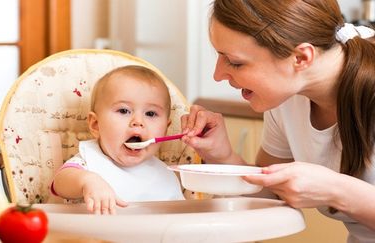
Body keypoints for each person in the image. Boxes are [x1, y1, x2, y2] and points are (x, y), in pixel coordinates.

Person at [181, 0, 375, 242]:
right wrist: (222, 155)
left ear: (301, 58)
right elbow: (269, 192)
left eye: (236, 62)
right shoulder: (288, 99)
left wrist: (336, 190)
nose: (218, 75)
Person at [52, 65, 184, 215]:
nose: (138, 121)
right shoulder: (88, 163)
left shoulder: (166, 176)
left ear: (165, 130)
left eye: (151, 113)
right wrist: (87, 181)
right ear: (96, 125)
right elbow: (59, 183)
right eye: (124, 111)